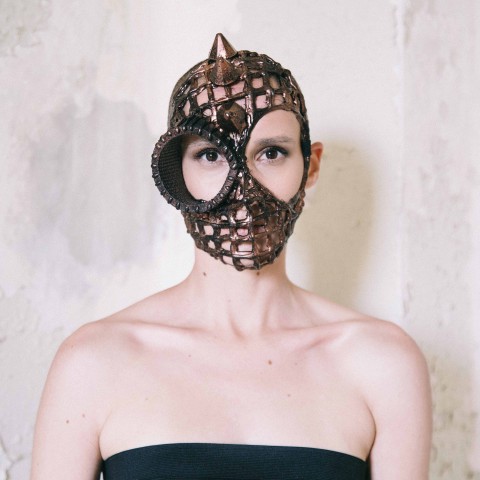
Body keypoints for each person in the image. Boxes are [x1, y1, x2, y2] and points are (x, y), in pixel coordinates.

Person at [30, 33, 432, 480]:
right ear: (176, 173)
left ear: (311, 166)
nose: (242, 188)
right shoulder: (94, 362)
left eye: (271, 153)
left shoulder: (382, 364)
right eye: (210, 154)